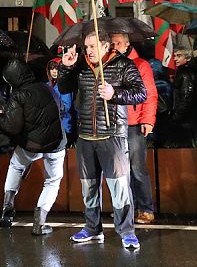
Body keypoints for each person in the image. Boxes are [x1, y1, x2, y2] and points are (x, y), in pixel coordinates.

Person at [58, 30, 146, 250]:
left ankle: (127, 231)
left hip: (113, 136)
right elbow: (64, 87)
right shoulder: (80, 65)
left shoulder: (123, 64)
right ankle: (92, 228)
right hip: (86, 136)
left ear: (106, 46)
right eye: (86, 47)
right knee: (88, 187)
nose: (88, 50)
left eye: (93, 46)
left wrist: (115, 94)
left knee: (119, 187)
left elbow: (140, 93)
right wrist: (66, 68)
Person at [0, 58, 65, 234]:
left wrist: (0, 116)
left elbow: (13, 126)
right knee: (52, 181)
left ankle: (7, 208)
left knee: (16, 166)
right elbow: (61, 109)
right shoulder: (46, 88)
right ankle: (39, 223)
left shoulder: (18, 95)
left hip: (32, 145)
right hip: (56, 142)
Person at [111, 33, 157, 225]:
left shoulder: (141, 65)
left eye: (118, 43)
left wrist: (147, 120)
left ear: (127, 44)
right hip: (115, 124)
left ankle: (145, 209)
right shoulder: (109, 65)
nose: (115, 46)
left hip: (134, 123)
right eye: (112, 43)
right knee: (120, 171)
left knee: (137, 168)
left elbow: (150, 94)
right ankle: (126, 207)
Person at [172, 47, 197, 145]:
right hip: (188, 115)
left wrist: (177, 115)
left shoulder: (185, 73)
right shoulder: (186, 71)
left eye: (179, 56)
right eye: (174, 56)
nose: (175, 59)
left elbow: (186, 96)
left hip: (185, 117)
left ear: (188, 58)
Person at [46, 58, 77, 147]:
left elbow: (67, 106)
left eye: (57, 68)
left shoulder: (65, 85)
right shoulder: (47, 85)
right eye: (52, 68)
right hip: (51, 126)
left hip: (64, 125)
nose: (54, 71)